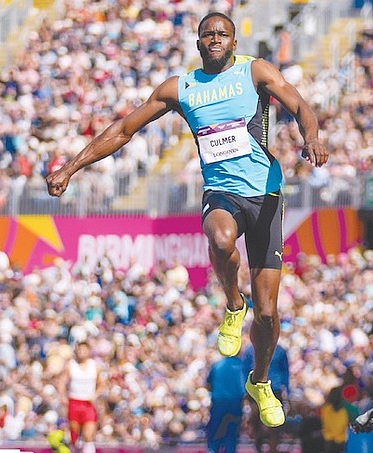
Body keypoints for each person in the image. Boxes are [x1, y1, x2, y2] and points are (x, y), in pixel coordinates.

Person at [46, 11, 328, 428]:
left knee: (268, 314)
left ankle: (261, 381)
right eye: (208, 34)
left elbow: (299, 103)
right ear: (198, 44)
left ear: (234, 41)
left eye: (223, 34)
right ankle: (234, 304)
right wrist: (71, 167)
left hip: (266, 193)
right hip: (221, 192)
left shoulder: (255, 72)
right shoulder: (182, 88)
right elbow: (125, 129)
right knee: (219, 239)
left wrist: (313, 137)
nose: (215, 39)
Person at [242, 342, 289, 451]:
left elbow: (285, 371)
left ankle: (273, 449)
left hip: (275, 389)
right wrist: (245, 392)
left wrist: (287, 391)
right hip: (255, 389)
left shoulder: (280, 350)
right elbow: (244, 370)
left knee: (275, 424)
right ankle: (258, 448)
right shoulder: (249, 350)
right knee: (255, 421)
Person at [57, 341, 103, 453]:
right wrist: (62, 396)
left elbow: (101, 383)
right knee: (74, 434)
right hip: (74, 402)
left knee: (88, 435)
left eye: (84, 350)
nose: (81, 352)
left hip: (88, 403)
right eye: (79, 350)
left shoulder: (94, 366)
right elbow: (61, 382)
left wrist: (95, 395)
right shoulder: (71, 365)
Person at [206, 354, 246, 453]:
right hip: (235, 405)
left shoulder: (217, 365)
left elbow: (208, 384)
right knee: (231, 435)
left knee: (215, 434)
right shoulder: (241, 366)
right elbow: (245, 388)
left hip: (219, 404)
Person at [320, 386, 350, 453]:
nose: (334, 397)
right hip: (329, 442)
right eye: (332, 395)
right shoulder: (325, 409)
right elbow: (325, 426)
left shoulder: (347, 409)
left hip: (342, 442)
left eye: (336, 395)